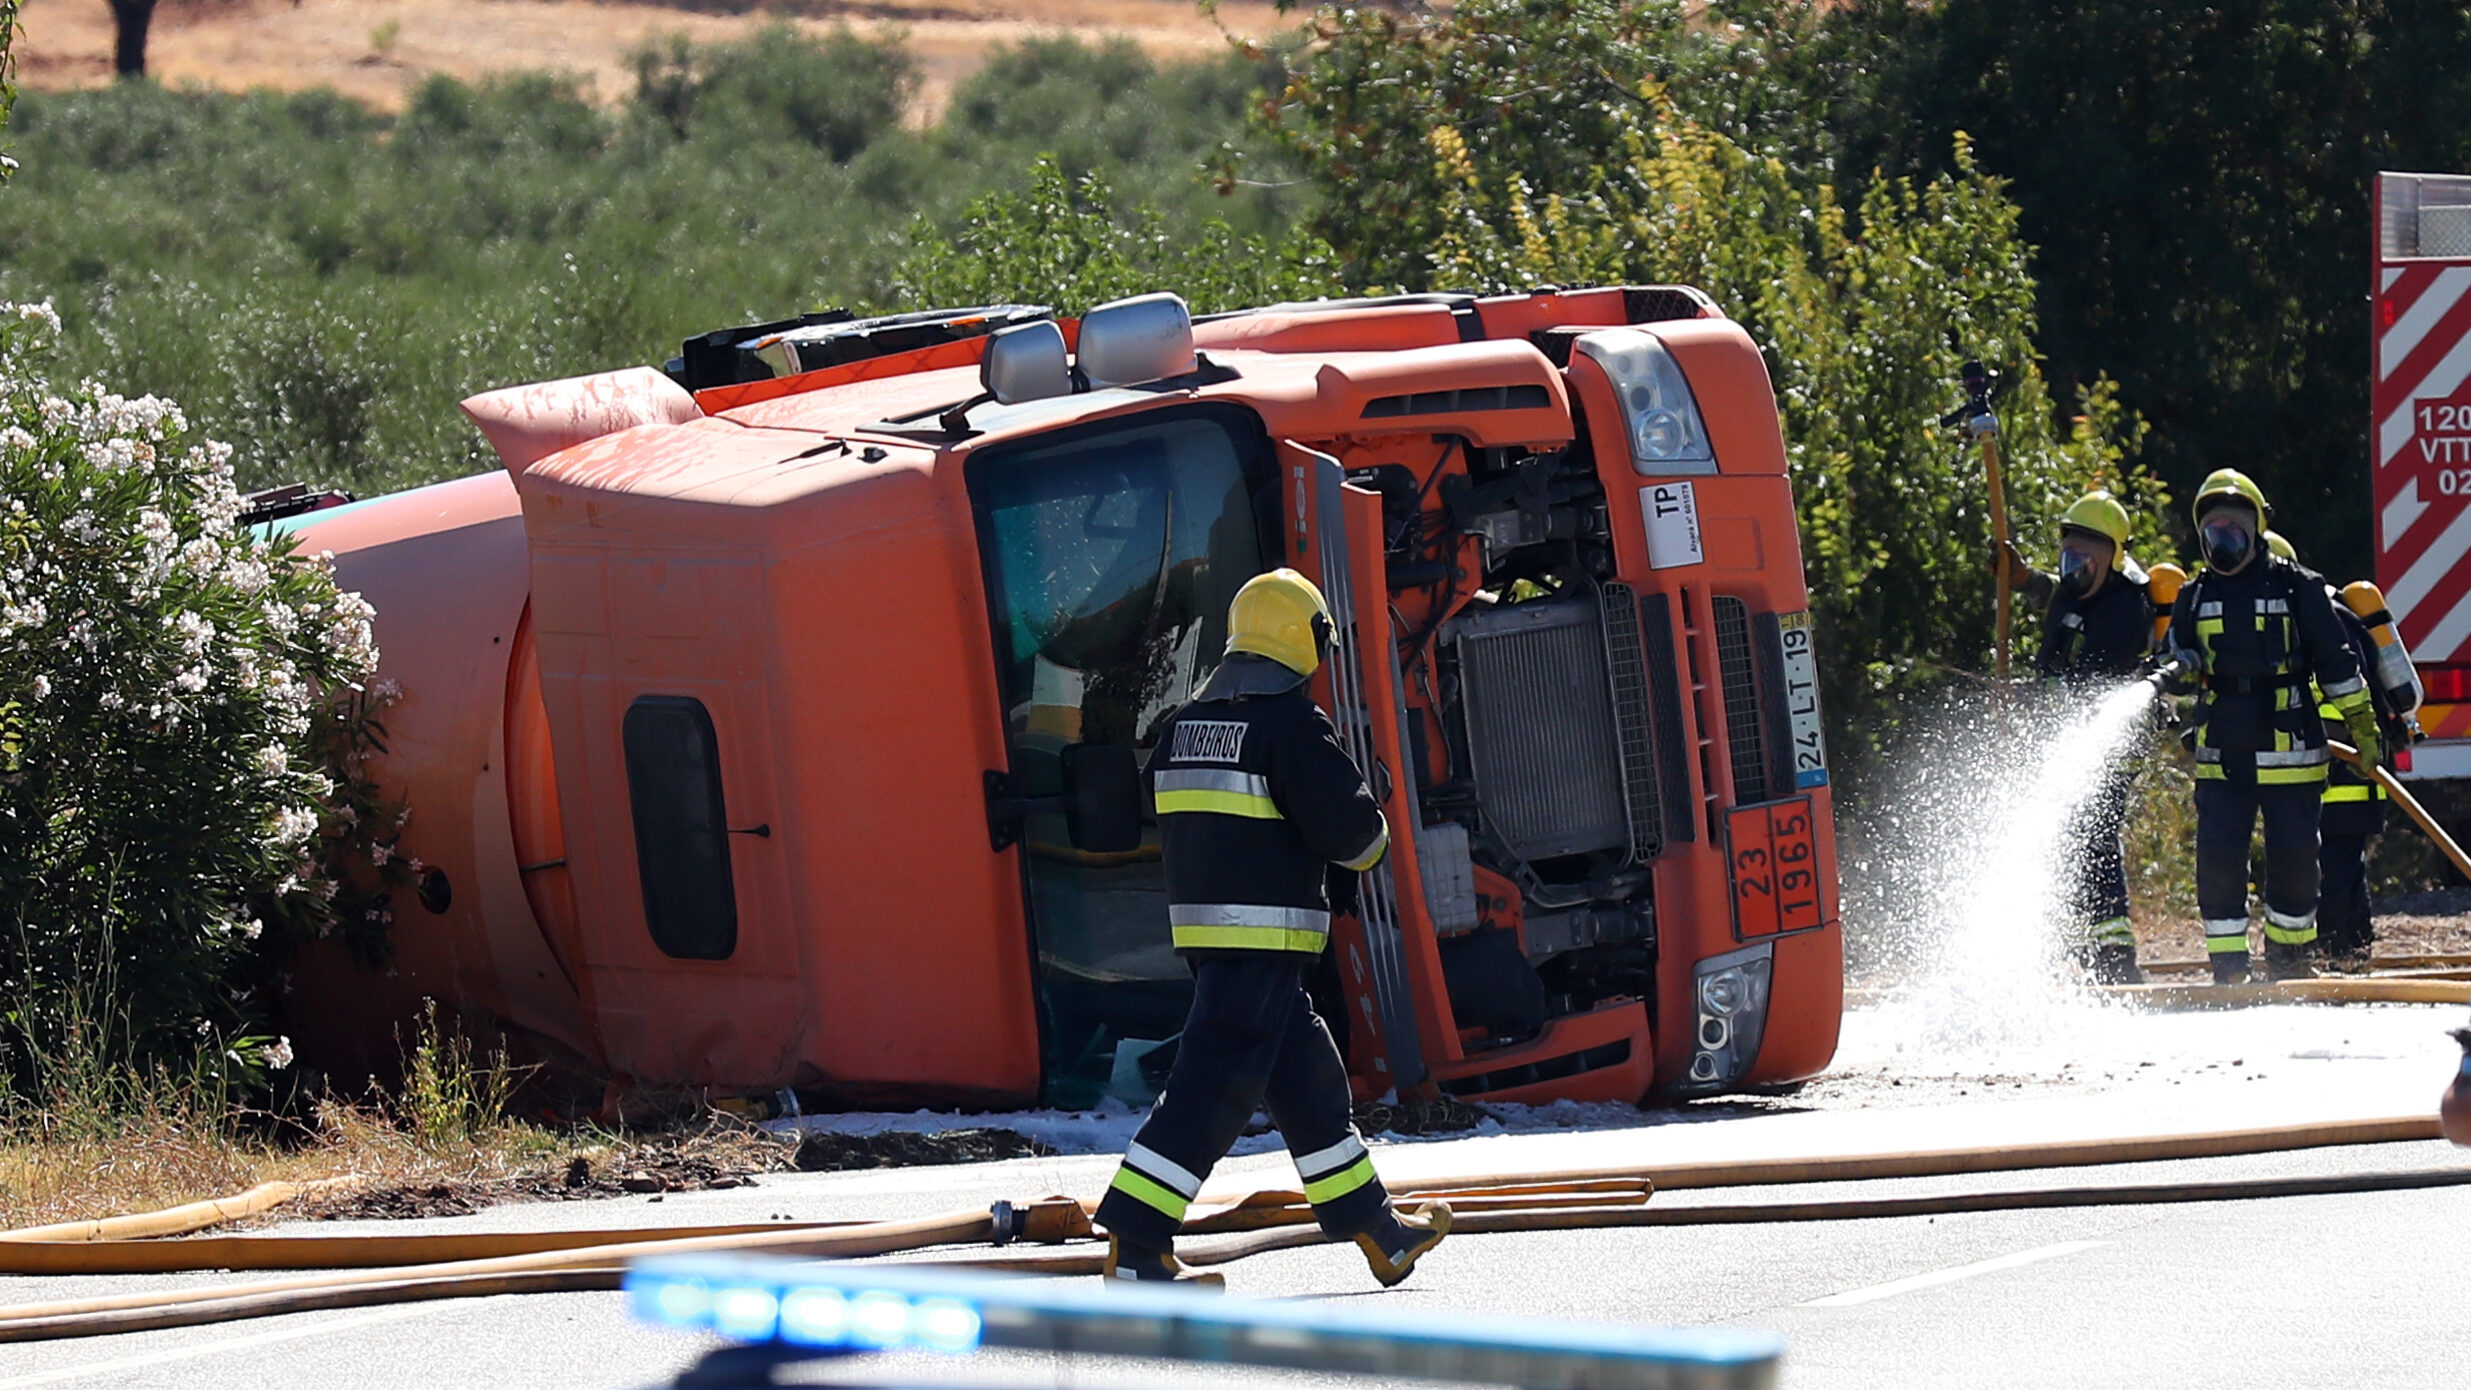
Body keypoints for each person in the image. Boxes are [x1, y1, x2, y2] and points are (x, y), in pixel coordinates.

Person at [1094, 567, 1450, 1287]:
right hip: (1262, 944)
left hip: (1214, 943)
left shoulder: (1182, 728)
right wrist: (1368, 807)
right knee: (1209, 1090)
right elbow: (1358, 841)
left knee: (1309, 1084)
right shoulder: (1289, 726)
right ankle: (1136, 1246)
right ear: (1308, 640)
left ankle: (1377, 1229)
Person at [2165, 472, 2382, 984]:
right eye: (2213, 530)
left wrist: (2363, 726)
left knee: (2295, 863)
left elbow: (2336, 663)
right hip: (2222, 755)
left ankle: (2290, 964)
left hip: (2292, 752)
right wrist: (2175, 675)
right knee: (2219, 863)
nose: (2223, 540)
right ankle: (2229, 970)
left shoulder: (2297, 587)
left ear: (2256, 529)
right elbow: (2172, 663)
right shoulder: (2193, 596)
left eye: (2233, 529)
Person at [1998, 491, 2152, 983]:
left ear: (2113, 558)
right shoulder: (2073, 592)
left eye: (2087, 557)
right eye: (2070, 554)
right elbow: (2056, 598)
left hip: (2109, 750)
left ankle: (2115, 959)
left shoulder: (2126, 609)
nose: (2075, 566)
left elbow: (2091, 685)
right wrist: (2022, 579)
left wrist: (2033, 692)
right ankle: (2077, 951)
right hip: (2062, 744)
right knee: (2064, 843)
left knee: (2094, 839)